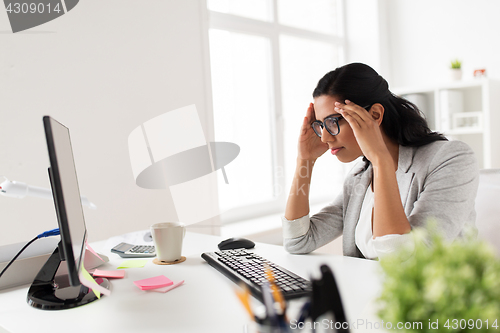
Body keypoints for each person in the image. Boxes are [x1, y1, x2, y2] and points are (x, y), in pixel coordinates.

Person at [282, 63, 479, 259]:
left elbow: (406, 261)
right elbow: (298, 241)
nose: (324, 138)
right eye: (320, 125)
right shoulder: (360, 177)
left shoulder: (451, 159)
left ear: (374, 115)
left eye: (333, 122)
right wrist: (305, 159)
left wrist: (380, 159)